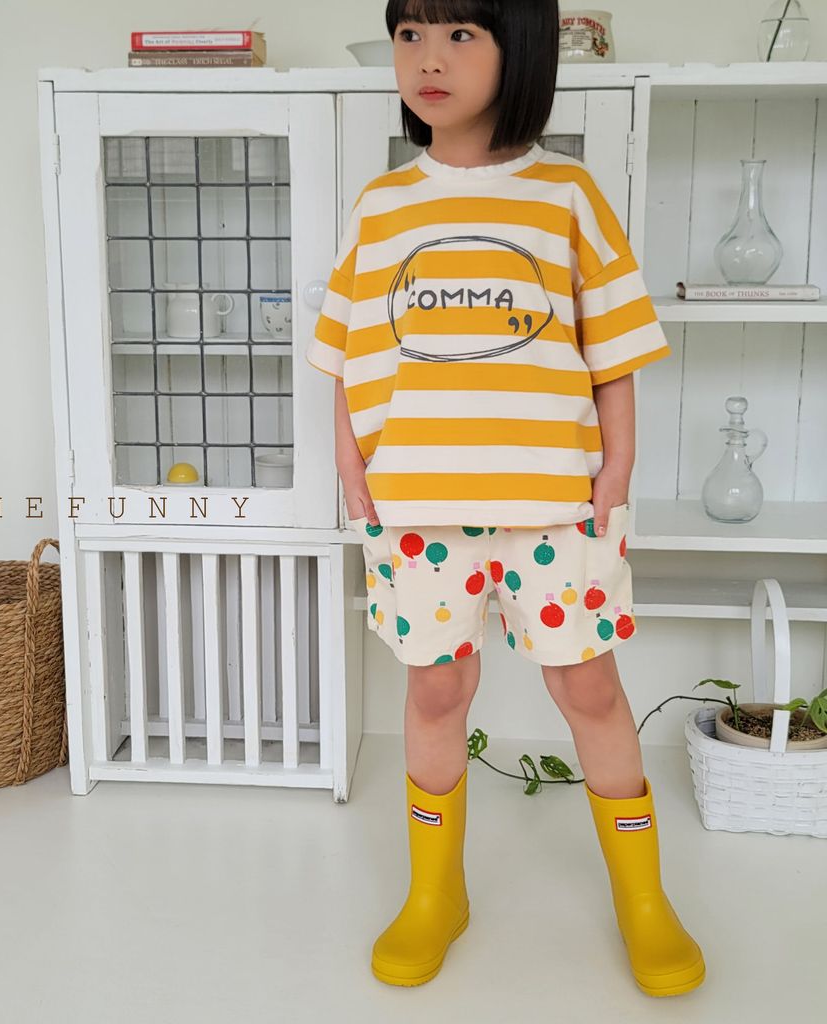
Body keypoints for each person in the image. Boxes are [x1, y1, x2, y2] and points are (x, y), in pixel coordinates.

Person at [305, 0, 706, 998]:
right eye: (409, 34)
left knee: (589, 688)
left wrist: (615, 472)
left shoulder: (566, 194)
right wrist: (352, 469)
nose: (427, 58)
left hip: (554, 506)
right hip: (417, 508)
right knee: (436, 690)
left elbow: (613, 350)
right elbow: (349, 354)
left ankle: (643, 900)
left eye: (459, 34)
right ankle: (435, 893)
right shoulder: (381, 205)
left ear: (516, 47)